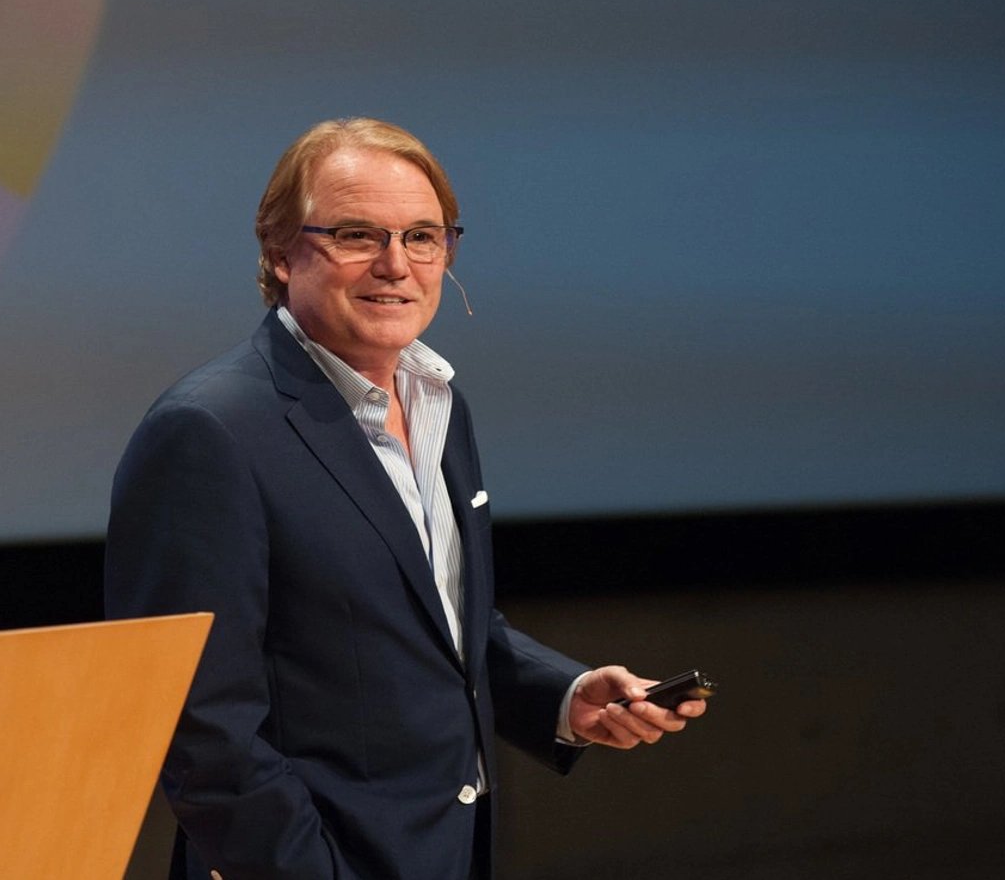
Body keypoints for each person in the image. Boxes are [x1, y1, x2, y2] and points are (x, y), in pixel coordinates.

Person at [104, 117, 705, 880]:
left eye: (423, 237)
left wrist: (566, 695)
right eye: (358, 235)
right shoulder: (208, 431)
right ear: (280, 252)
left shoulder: (437, 402)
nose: (397, 264)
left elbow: (441, 624)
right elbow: (198, 722)